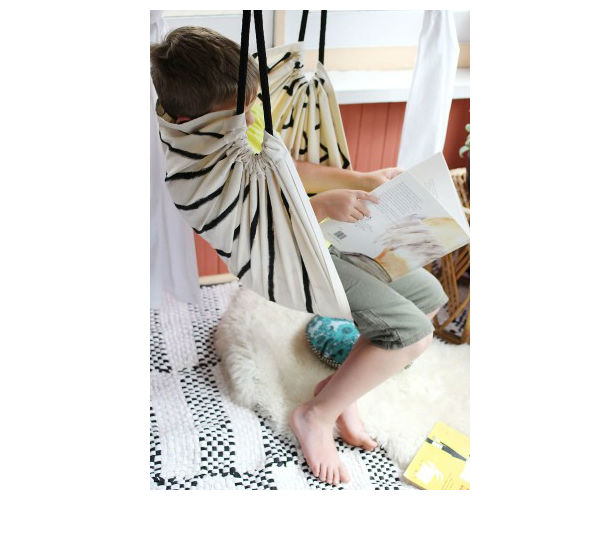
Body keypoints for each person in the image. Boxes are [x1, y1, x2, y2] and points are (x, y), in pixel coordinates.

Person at [150, 25, 449, 486]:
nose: (253, 112)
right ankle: (316, 415)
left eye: (254, 101)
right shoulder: (195, 175)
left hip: (318, 237)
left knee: (428, 296)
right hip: (286, 260)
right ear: (197, 119)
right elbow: (259, 230)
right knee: (411, 334)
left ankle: (340, 387)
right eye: (244, 106)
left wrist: (363, 179)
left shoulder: (228, 125)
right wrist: (323, 206)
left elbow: (284, 169)